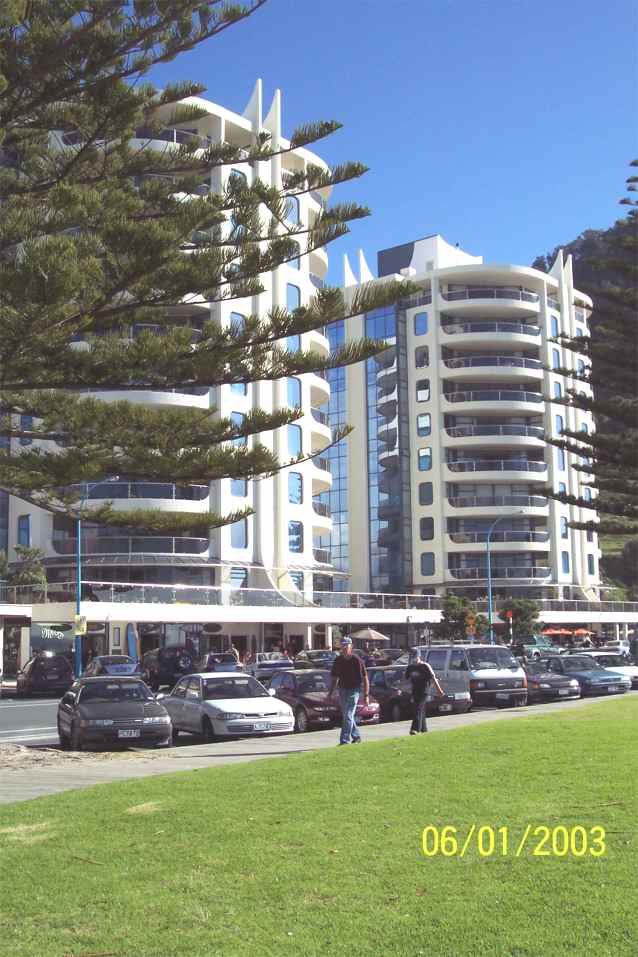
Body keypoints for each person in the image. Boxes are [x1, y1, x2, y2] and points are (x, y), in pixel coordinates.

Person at [329, 637, 370, 745]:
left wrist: (366, 695)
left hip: (354, 690)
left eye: (346, 645)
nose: (344, 648)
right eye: (343, 645)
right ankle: (356, 736)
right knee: (348, 716)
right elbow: (334, 678)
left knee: (348, 715)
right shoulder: (338, 661)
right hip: (342, 690)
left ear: (351, 646)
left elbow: (365, 678)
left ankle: (344, 740)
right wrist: (331, 692)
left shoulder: (357, 660)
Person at [405, 654, 445, 735]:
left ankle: (415, 729)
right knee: (420, 709)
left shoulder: (425, 666)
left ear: (419, 657)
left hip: (424, 690)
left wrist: (439, 690)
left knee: (418, 708)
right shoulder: (410, 667)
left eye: (415, 657)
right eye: (412, 658)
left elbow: (433, 678)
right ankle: (424, 729)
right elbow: (406, 678)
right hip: (414, 691)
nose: (414, 660)